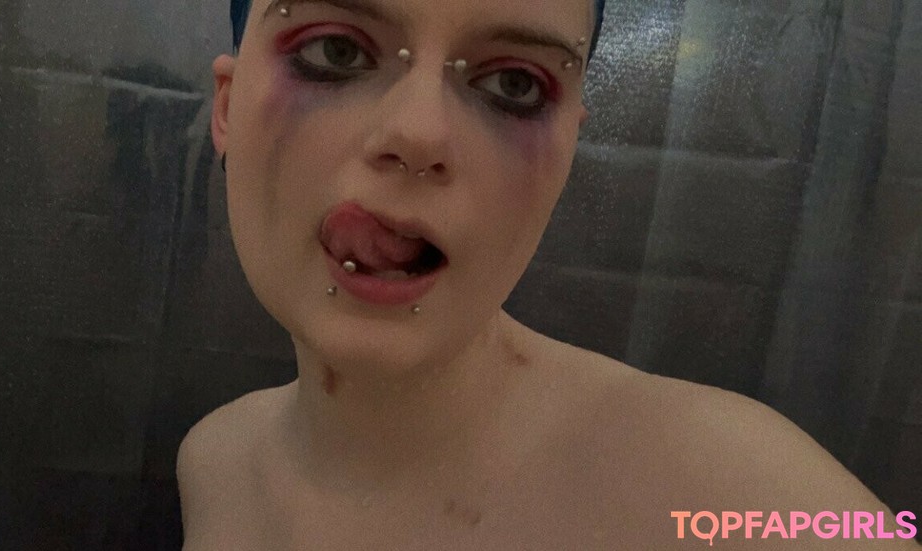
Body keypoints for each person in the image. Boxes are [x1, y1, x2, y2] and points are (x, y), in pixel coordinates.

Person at [177, 0, 919, 548]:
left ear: (566, 152)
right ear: (228, 109)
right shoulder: (214, 462)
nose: (418, 134)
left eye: (514, 86)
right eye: (336, 51)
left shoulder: (743, 497)